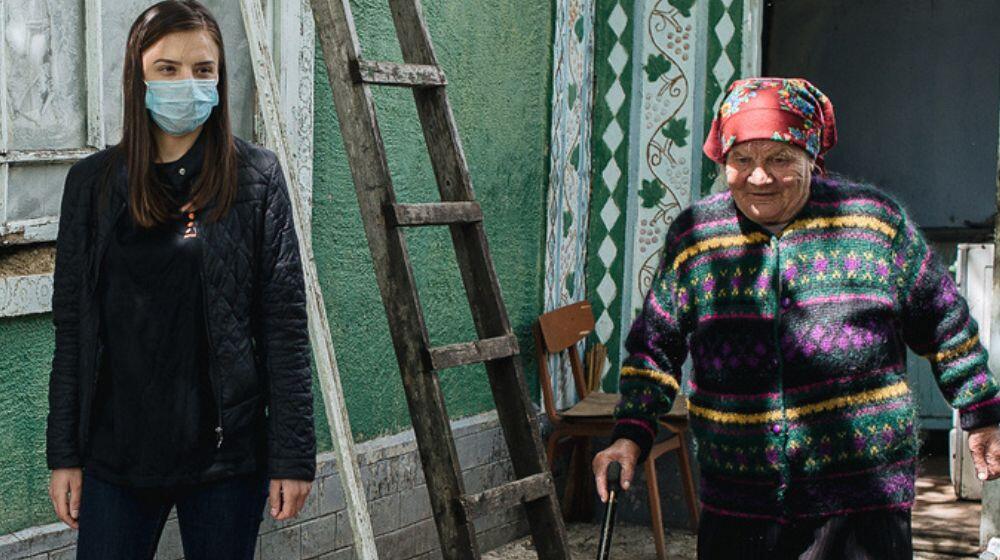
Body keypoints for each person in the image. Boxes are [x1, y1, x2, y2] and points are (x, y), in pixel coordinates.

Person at [593, 77, 1000, 559]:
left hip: (859, 499)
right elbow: (654, 348)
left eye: (780, 159)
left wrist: (982, 413)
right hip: (738, 497)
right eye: (742, 160)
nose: (759, 177)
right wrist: (629, 434)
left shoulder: (873, 224)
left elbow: (943, 321)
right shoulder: (697, 237)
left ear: (812, 157)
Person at [45, 2, 316, 558]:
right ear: (137, 74)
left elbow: (284, 327)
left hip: (225, 458)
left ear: (219, 77)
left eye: (202, 69)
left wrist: (292, 456)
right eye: (167, 68)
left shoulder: (256, 181)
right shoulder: (90, 185)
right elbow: (72, 327)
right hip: (116, 455)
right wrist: (64, 454)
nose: (186, 83)